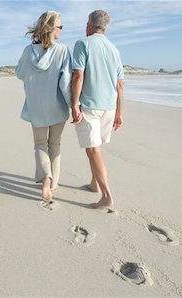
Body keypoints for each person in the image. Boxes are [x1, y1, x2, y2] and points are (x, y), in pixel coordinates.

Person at [16, 11, 72, 206]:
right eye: (60, 26)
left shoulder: (27, 51)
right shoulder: (63, 50)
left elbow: (19, 73)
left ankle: (45, 180)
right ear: (51, 28)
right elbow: (65, 83)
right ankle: (53, 183)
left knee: (40, 144)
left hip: (36, 106)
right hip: (57, 106)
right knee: (54, 144)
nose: (61, 30)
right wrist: (73, 105)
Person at [71, 10, 124, 209]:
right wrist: (119, 113)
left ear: (92, 25)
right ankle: (94, 183)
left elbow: (78, 75)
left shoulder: (83, 44)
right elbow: (120, 85)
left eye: (86, 23)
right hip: (109, 107)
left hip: (91, 106)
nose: (85, 27)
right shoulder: (114, 49)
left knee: (93, 150)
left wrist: (74, 104)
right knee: (95, 148)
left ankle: (107, 196)